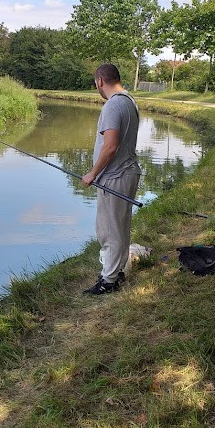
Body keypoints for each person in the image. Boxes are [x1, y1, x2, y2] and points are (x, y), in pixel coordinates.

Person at [82, 63, 141, 295]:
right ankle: (115, 271)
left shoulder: (113, 106)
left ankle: (109, 281)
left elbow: (110, 146)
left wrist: (92, 174)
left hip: (115, 177)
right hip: (125, 173)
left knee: (110, 230)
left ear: (100, 81)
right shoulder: (129, 101)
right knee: (118, 227)